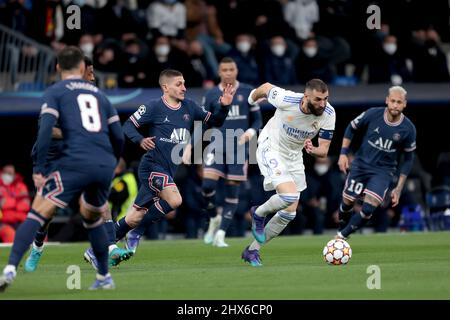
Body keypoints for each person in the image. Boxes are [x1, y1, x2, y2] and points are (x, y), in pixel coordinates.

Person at [0, 46, 125, 291]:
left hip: (73, 160)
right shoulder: (100, 96)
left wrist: (37, 168)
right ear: (82, 68)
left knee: (38, 212)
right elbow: (118, 137)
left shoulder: (55, 91)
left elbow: (44, 129)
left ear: (58, 67)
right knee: (91, 217)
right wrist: (113, 160)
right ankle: (103, 277)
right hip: (100, 161)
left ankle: (10, 269)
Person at [108, 69, 235, 257]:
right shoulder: (153, 107)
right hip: (152, 166)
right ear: (165, 87)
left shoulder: (190, 107)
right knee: (175, 199)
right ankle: (137, 233)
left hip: (168, 169)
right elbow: (128, 125)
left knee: (134, 217)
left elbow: (215, 121)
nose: (184, 88)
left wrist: (224, 106)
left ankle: (99, 247)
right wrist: (140, 140)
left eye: (184, 83)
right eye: (179, 84)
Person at [23, 56, 131, 274]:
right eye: (89, 73)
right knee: (47, 212)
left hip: (79, 156)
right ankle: (37, 247)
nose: (92, 77)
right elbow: (46, 128)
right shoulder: (59, 93)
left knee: (99, 201)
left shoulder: (93, 96)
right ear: (79, 70)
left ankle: (110, 247)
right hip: (53, 155)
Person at [242, 79, 336, 266]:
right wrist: (251, 100)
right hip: (271, 147)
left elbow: (324, 150)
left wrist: (313, 149)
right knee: (289, 196)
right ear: (306, 96)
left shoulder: (329, 113)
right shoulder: (287, 99)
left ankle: (252, 250)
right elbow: (266, 87)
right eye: (318, 99)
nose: (322, 103)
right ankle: (259, 213)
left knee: (289, 213)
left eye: (325, 98)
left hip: (294, 157)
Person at [184, 57, 262, 247]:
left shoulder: (247, 92)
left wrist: (250, 133)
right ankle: (213, 218)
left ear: (236, 70)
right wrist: (189, 145)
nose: (228, 72)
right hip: (217, 144)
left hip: (241, 147)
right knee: (207, 186)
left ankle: (220, 234)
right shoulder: (211, 95)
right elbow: (203, 124)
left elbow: (258, 121)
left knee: (232, 190)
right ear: (219, 72)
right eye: (224, 69)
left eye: (231, 69)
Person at [336, 86, 416, 240]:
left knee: (368, 208)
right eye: (392, 101)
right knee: (347, 203)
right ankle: (342, 229)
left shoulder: (408, 129)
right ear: (387, 100)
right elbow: (351, 128)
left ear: (404, 104)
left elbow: (408, 159)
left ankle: (341, 236)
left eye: (399, 102)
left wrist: (398, 188)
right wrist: (343, 154)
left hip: (383, 171)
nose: (395, 105)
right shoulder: (373, 113)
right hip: (360, 165)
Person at [0, 165, 31, 243]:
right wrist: (17, 200)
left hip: (21, 221)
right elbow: (2, 204)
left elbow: (26, 205)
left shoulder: (21, 186)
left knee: (37, 234)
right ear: (2, 173)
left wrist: (8, 201)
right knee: (10, 234)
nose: (8, 175)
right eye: (7, 172)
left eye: (11, 173)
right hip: (3, 222)